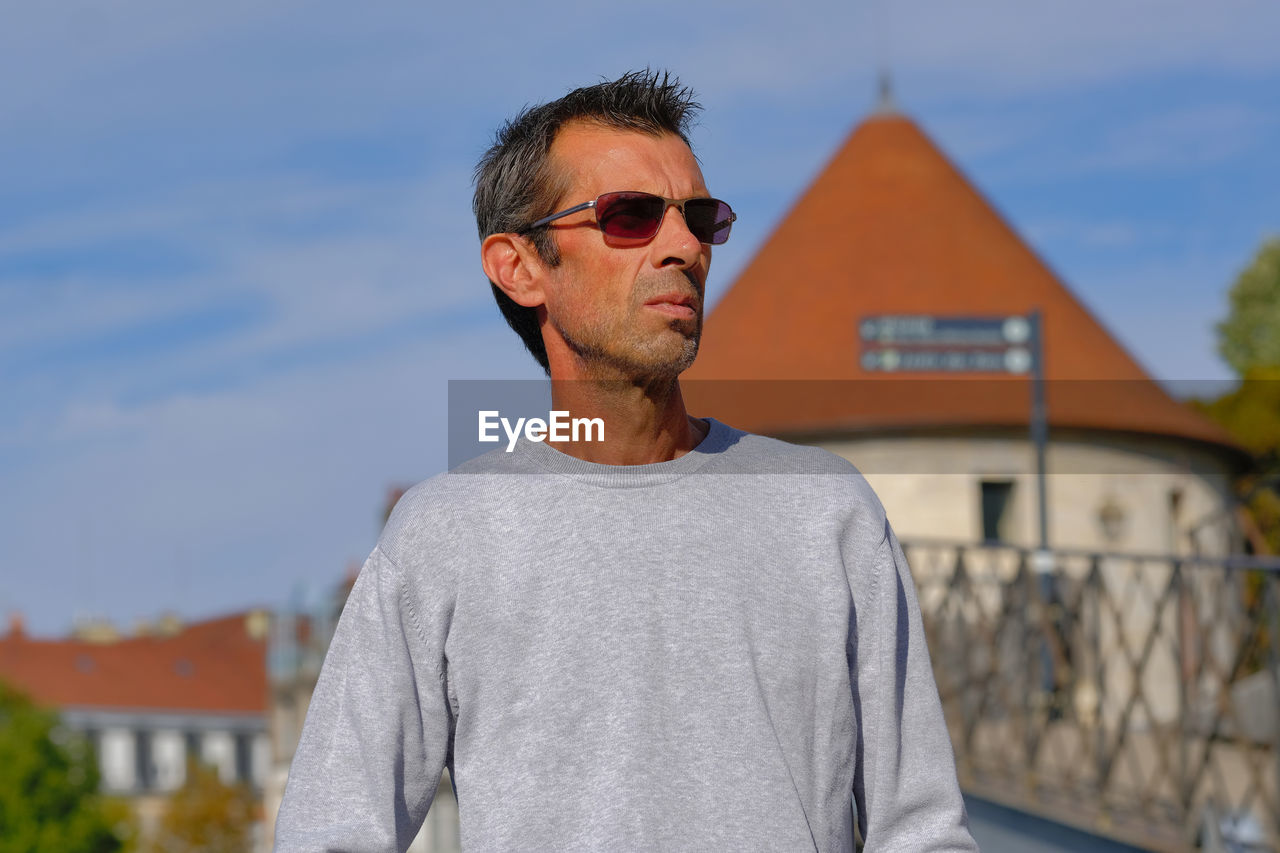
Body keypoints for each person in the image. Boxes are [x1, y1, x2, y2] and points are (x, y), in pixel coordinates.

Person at [274, 70, 976, 852]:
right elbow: (332, 831)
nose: (684, 248)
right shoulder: (444, 536)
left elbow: (922, 831)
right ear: (519, 265)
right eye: (631, 217)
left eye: (700, 218)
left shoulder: (826, 511)